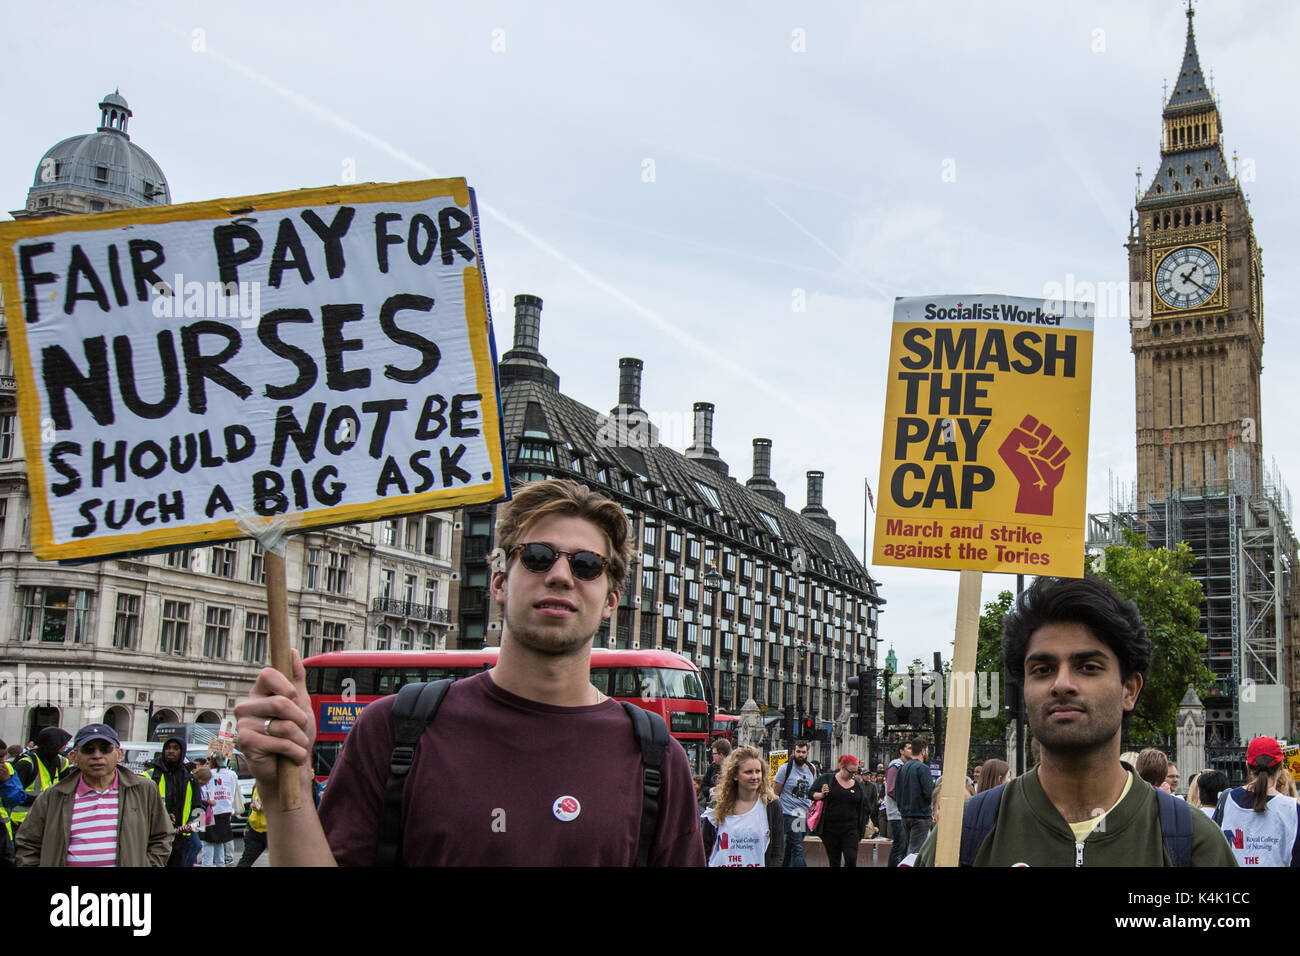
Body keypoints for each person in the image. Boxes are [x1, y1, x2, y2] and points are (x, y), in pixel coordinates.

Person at [235, 478, 704, 865]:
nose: (561, 575)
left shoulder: (656, 758)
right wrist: (283, 789)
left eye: (586, 565)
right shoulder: (393, 730)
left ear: (611, 602)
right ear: (499, 582)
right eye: (538, 556)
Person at [914, 575, 1236, 866]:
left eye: (1088, 667)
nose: (1062, 684)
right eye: (1042, 670)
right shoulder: (960, 838)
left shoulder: (1194, 846)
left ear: (1129, 690)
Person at [15, 723, 172, 867]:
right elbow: (27, 843)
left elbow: (162, 836)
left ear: (119, 754)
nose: (97, 755)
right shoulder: (53, 795)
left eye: (105, 749)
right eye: (88, 749)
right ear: (74, 757)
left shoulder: (143, 789)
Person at [1212, 736, 1299, 867]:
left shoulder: (1226, 801)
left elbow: (1213, 851)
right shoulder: (1292, 809)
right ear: (1281, 767)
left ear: (1247, 766)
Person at [700, 747, 783, 867]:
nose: (755, 776)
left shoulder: (771, 805)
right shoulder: (718, 805)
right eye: (748, 772)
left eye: (758, 771)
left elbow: (777, 851)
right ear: (735, 775)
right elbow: (704, 847)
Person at [140, 737, 205, 868]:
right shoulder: (150, 776)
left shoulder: (191, 778)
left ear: (182, 752)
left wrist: (193, 825)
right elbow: (139, 807)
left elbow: (199, 808)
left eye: (175, 748)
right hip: (154, 838)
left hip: (181, 839)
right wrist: (162, 817)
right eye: (168, 748)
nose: (171, 751)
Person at [810, 755, 869, 867]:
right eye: (851, 772)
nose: (853, 775)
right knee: (834, 861)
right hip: (830, 829)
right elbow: (810, 793)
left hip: (851, 829)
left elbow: (863, 805)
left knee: (851, 859)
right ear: (842, 767)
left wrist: (863, 822)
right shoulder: (827, 779)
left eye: (856, 772)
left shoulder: (857, 785)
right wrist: (821, 794)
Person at [11, 727, 70, 834]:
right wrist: (43, 799)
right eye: (63, 743)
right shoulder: (27, 763)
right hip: (21, 822)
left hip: (48, 821)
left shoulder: (62, 762)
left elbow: (68, 788)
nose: (65, 746)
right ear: (53, 744)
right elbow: (12, 793)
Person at [773, 740, 816, 866]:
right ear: (793, 752)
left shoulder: (812, 769)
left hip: (804, 815)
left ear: (807, 753)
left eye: (803, 752)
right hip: (789, 814)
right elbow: (775, 793)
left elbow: (812, 791)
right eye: (798, 752)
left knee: (790, 846)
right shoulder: (785, 768)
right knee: (797, 847)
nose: (800, 755)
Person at [199, 752, 240, 866]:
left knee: (207, 845)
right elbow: (233, 790)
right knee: (220, 844)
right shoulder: (232, 774)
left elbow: (203, 793)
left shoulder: (209, 773)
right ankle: (221, 864)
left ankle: (207, 864)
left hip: (207, 811)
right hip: (226, 811)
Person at [896, 737, 934, 855]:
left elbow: (897, 792)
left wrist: (901, 808)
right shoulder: (923, 768)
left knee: (910, 848)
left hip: (905, 814)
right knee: (915, 852)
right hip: (920, 815)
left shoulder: (902, 768)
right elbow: (929, 793)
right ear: (923, 751)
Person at [883, 739, 911, 867]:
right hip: (897, 813)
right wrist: (907, 802)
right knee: (899, 845)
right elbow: (891, 790)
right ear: (901, 751)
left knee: (904, 846)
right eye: (909, 748)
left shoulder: (907, 766)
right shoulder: (895, 766)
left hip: (904, 813)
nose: (912, 751)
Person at [237, 784, 268, 867]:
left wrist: (261, 808)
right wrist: (247, 825)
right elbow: (252, 806)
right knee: (245, 862)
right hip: (255, 830)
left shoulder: (277, 786)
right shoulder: (256, 786)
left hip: (273, 831)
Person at [702, 738, 732, 803]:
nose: (712, 756)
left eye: (714, 753)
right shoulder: (712, 767)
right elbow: (704, 786)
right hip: (712, 804)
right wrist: (710, 790)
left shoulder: (733, 768)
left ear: (721, 755)